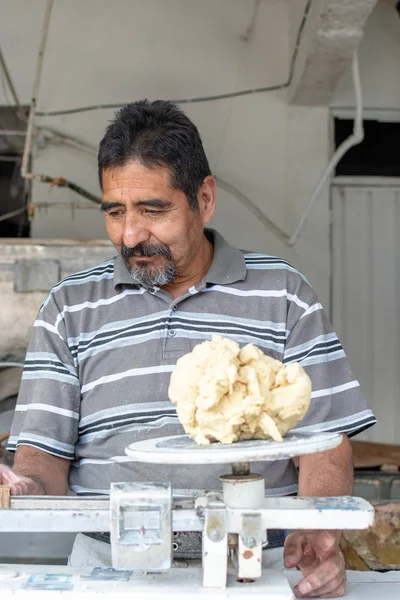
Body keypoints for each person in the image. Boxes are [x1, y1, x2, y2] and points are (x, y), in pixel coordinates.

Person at [0, 100, 375, 597]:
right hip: (109, 569)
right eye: (115, 212)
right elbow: (43, 456)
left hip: (257, 565)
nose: (131, 234)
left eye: (153, 210)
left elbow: (325, 442)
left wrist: (319, 533)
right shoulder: (68, 307)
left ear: (205, 198)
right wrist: (25, 489)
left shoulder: (283, 294)